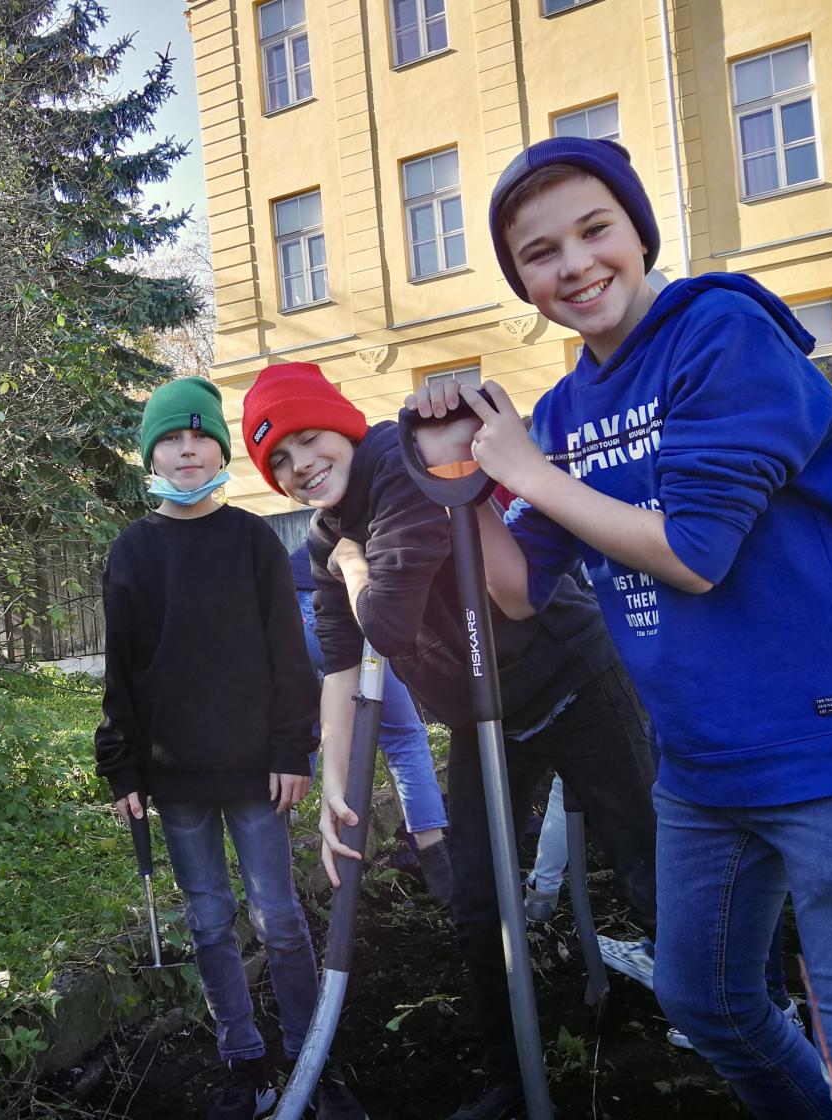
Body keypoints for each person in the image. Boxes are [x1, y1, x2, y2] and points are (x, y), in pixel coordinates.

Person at [412, 134, 832, 1119]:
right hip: (701, 768)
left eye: (594, 229)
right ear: (522, 281)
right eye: (539, 253)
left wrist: (529, 470)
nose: (574, 265)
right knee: (706, 1001)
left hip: (829, 751)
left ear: (638, 229)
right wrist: (466, 476)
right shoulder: (566, 409)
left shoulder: (721, 334)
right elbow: (518, 589)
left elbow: (695, 552)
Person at [241, 361, 659, 1120]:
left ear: (341, 424)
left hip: (571, 681)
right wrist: (335, 786)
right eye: (279, 460)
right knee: (477, 903)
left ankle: (738, 1025)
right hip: (482, 720)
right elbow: (341, 665)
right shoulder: (328, 534)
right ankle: (511, 1072)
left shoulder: (401, 466)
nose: (300, 465)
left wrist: (355, 566)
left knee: (647, 865)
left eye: (307, 439)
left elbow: (387, 625)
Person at [93, 377, 365, 1120]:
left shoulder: (251, 540)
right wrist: (122, 765)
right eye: (171, 439)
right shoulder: (133, 551)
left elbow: (287, 654)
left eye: (201, 437)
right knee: (209, 920)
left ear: (221, 452)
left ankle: (311, 1056)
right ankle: (243, 1060)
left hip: (256, 771)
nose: (188, 450)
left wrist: (291, 749)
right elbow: (123, 672)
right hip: (174, 777)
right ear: (151, 457)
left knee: (278, 916)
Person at [290, 544, 453, 905]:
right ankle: (438, 867)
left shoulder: (326, 536)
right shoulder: (386, 529)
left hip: (290, 615)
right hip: (327, 606)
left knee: (308, 724)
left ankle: (282, 837)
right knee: (402, 734)